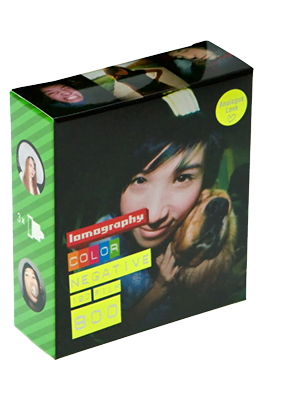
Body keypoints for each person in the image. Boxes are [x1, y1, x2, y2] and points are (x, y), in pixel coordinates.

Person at [87, 97, 231, 331]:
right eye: (139, 180)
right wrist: (160, 288)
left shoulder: (197, 222)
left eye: (183, 178)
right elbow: (104, 334)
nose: (154, 216)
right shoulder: (101, 243)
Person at [103, 66, 174, 98]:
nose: (121, 72)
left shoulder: (137, 72)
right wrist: (141, 94)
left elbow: (159, 70)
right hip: (147, 91)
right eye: (118, 72)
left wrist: (157, 79)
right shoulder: (120, 79)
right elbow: (131, 86)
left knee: (173, 91)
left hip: (157, 85)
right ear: (115, 74)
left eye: (120, 70)